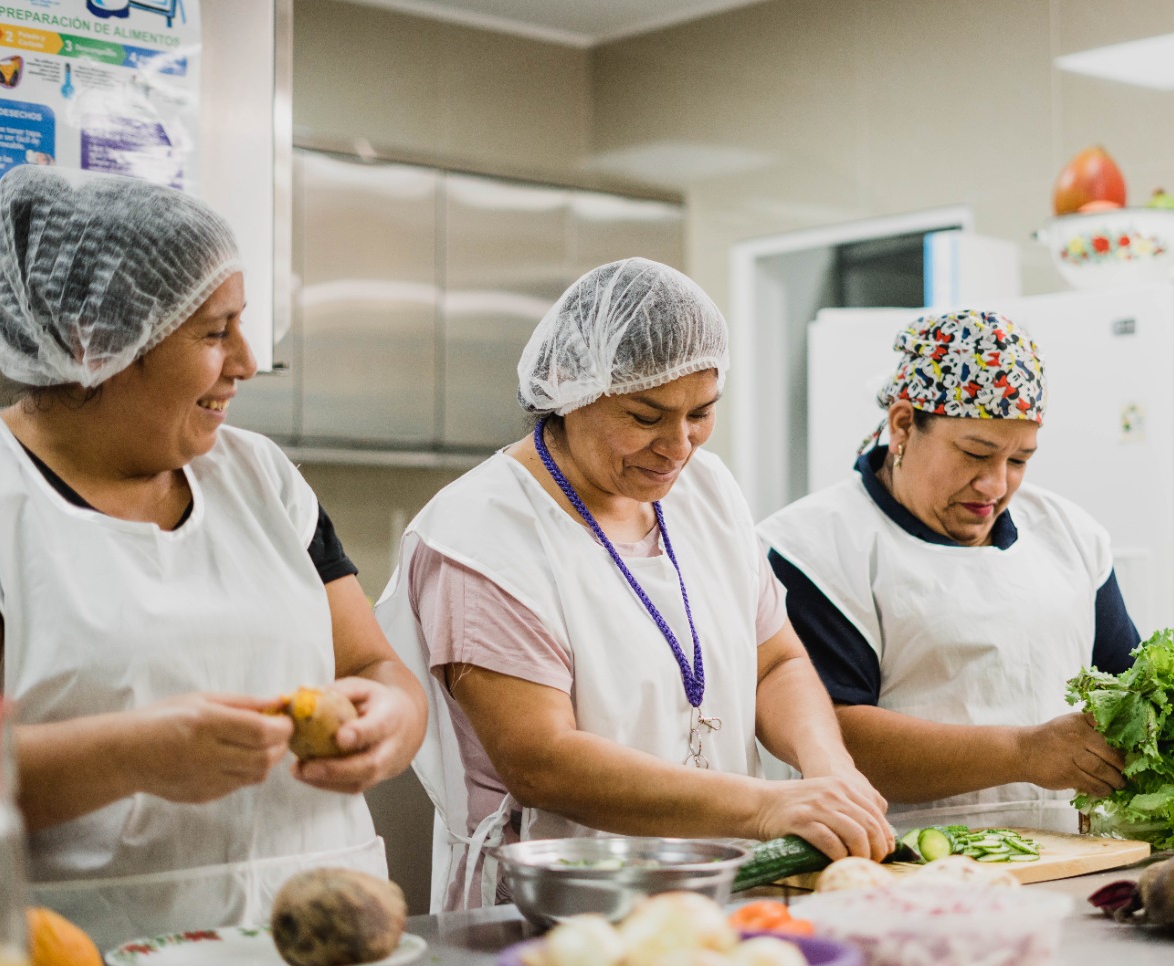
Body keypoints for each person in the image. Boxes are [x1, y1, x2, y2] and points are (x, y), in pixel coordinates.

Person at [0, 166, 427, 943]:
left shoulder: (260, 476)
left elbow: (373, 665)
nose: (248, 359)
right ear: (92, 341)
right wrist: (129, 756)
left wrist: (396, 715)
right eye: (213, 330)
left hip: (325, 949)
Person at [377, 258, 893, 909]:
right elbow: (542, 760)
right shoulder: (482, 537)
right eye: (646, 417)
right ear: (567, 386)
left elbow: (776, 662)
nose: (679, 446)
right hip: (556, 909)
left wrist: (829, 767)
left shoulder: (708, 493)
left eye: (702, 413)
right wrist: (768, 806)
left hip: (722, 889)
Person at [758, 309, 1137, 832]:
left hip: (1064, 859)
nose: (995, 485)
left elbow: (1127, 690)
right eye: (975, 453)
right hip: (892, 865)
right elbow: (829, 735)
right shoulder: (812, 548)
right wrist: (1024, 752)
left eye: (1019, 460)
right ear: (903, 425)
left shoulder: (1072, 536)